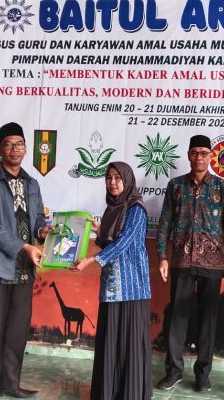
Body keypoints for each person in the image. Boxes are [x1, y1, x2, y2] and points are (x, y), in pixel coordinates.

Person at [0, 122, 52, 399]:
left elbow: (37, 220)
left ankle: (9, 384)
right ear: (0, 149)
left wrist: (43, 232)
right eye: (8, 144)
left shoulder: (32, 183)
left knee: (17, 332)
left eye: (19, 144)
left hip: (24, 270)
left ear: (26, 149)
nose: (14, 149)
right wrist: (23, 246)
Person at [156, 135, 224, 392]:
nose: (199, 157)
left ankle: (203, 374)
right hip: (181, 260)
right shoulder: (175, 186)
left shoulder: (221, 186)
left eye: (204, 153)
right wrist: (162, 256)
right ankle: (174, 372)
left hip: (213, 262)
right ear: (188, 155)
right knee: (177, 318)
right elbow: (165, 222)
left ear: (211, 156)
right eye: (195, 153)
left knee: (208, 320)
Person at [72, 161, 152, 400]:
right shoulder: (111, 209)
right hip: (111, 286)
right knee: (110, 340)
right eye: (109, 178)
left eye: (118, 178)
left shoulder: (136, 209)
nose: (113, 182)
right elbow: (110, 242)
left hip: (131, 287)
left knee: (128, 343)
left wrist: (89, 260)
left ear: (127, 180)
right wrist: (99, 232)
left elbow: (124, 243)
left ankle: (130, 393)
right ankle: (108, 392)